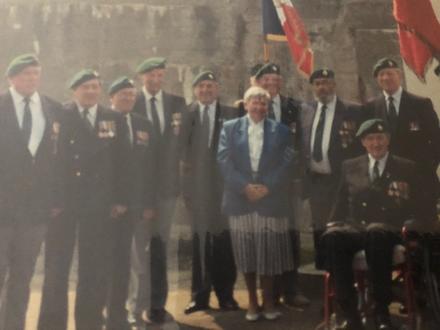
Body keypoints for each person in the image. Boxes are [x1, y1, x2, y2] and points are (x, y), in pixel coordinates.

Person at [38, 70, 129, 330]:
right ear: (73, 91)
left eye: (94, 87)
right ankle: (52, 325)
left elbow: (122, 162)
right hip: (64, 204)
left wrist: (120, 199)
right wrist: (52, 200)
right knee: (56, 267)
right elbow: (50, 161)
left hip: (98, 204)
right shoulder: (60, 115)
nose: (90, 91)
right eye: (85, 87)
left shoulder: (112, 118)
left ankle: (89, 324)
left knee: (94, 268)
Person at [321, 118, 420, 330]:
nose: (376, 143)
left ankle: (381, 312)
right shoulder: (350, 166)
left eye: (380, 138)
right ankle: (349, 314)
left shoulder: (406, 167)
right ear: (363, 142)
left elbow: (416, 205)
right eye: (371, 139)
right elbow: (339, 202)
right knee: (333, 237)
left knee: (376, 232)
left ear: (388, 140)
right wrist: (332, 224)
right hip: (357, 228)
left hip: (389, 230)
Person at [217, 86, 295, 321]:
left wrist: (267, 187)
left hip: (270, 199)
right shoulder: (230, 129)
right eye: (255, 102)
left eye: (264, 103)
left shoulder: (280, 131)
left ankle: (269, 301)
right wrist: (244, 187)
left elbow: (287, 161)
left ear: (268, 107)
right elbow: (223, 159)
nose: (259, 107)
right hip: (240, 199)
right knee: (246, 251)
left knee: (269, 253)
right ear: (246, 104)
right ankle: (251, 300)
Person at [0, 53, 63, 330]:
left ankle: (14, 325)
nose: (32, 79)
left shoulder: (52, 108)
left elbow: (59, 159)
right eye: (26, 74)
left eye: (36, 73)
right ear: (11, 78)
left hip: (35, 210)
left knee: (23, 275)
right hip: (2, 207)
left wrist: (55, 198)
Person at [131, 57, 186, 323]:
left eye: (159, 75)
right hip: (140, 192)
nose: (155, 80)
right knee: (138, 250)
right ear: (142, 77)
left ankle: (156, 305)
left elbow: (186, 142)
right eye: (150, 75)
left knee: (160, 248)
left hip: (166, 191)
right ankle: (135, 304)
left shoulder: (177, 103)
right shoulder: (133, 103)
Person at [181, 71, 238, 314]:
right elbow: (179, 155)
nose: (206, 90)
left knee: (225, 242)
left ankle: (226, 295)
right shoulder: (185, 115)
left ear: (218, 88)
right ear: (195, 90)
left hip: (225, 189)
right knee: (200, 243)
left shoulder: (232, 114)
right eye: (201, 86)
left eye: (210, 85)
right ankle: (199, 296)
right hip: (197, 190)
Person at [254, 62, 308, 307]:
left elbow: (301, 143)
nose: (272, 84)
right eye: (267, 79)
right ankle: (269, 291)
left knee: (290, 236)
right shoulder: (249, 107)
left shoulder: (292, 107)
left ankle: (292, 288)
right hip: (260, 185)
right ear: (258, 82)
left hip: (287, 183)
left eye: (276, 79)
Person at [105, 77, 156, 330]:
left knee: (135, 262)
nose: (127, 98)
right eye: (122, 94)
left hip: (136, 206)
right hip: (110, 208)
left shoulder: (143, 124)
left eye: (131, 94)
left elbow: (150, 168)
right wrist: (114, 201)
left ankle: (132, 310)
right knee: (109, 260)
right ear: (111, 97)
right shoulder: (102, 121)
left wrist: (148, 203)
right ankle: (109, 311)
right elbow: (103, 168)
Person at [363, 58, 440, 222]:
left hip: (420, 179)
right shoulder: (370, 108)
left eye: (390, 73)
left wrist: (426, 168)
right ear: (377, 80)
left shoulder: (420, 104)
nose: (386, 78)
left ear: (399, 76)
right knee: (391, 228)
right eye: (381, 75)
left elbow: (436, 140)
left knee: (424, 228)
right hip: (386, 181)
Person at [300, 69, 362, 269]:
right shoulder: (306, 110)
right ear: (313, 87)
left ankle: (345, 272)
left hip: (341, 181)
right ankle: (324, 273)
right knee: (319, 227)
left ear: (334, 85)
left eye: (326, 82)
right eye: (317, 83)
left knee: (341, 226)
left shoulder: (352, 110)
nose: (322, 87)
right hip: (316, 180)